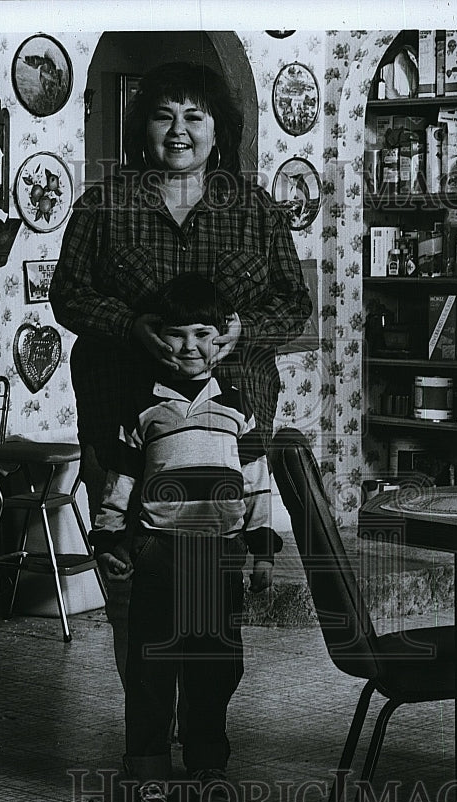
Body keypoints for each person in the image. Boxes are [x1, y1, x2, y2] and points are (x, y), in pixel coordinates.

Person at [49, 60, 312, 681]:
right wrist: (129, 326)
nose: (179, 130)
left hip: (230, 421)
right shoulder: (104, 206)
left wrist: (244, 330)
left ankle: (200, 728)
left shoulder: (257, 212)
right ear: (143, 129)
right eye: (164, 115)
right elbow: (68, 295)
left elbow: (295, 305)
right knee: (131, 566)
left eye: (194, 115)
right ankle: (146, 730)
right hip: (123, 421)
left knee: (214, 579)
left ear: (219, 128)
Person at [90, 273, 283, 802]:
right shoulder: (143, 407)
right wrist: (109, 539)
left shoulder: (237, 406)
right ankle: (148, 771)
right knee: (152, 664)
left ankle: (207, 766)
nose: (190, 347)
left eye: (204, 333)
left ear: (223, 338)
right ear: (156, 338)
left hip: (219, 556)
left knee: (215, 666)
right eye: (177, 335)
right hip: (158, 551)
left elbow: (256, 479)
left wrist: (262, 548)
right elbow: (121, 481)